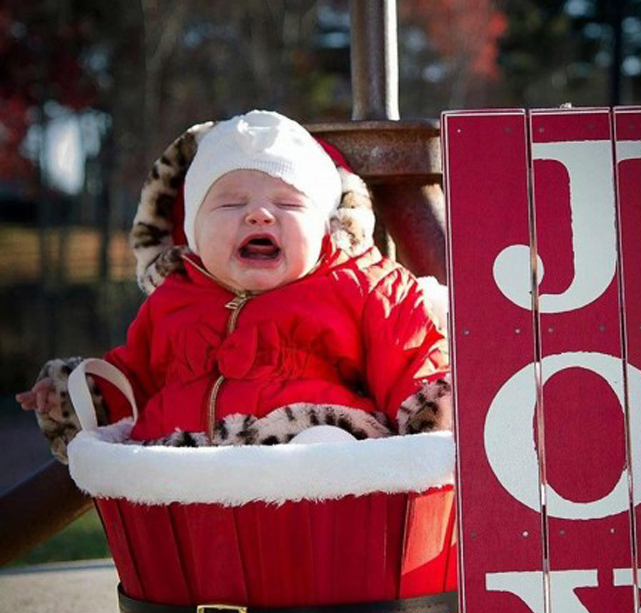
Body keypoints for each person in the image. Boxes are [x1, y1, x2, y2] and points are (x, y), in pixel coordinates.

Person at [16, 110, 451, 463]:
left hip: (308, 461)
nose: (260, 214)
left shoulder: (359, 285)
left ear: (323, 227)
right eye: (230, 202)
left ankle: (325, 485)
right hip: (185, 472)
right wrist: (77, 396)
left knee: (327, 449)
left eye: (288, 203)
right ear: (195, 234)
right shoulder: (174, 297)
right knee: (140, 466)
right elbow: (137, 377)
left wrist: (433, 403)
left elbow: (411, 351)